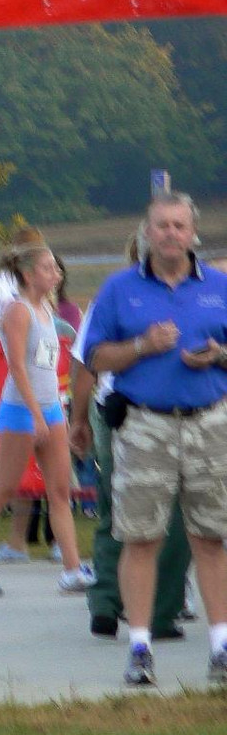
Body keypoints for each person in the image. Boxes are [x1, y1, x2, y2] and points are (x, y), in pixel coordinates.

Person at [81, 191, 227, 687]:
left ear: (193, 233)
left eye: (179, 226)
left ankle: (221, 646)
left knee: (210, 537)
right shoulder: (121, 289)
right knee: (141, 537)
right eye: (161, 225)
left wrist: (218, 356)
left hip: (209, 421)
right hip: (145, 424)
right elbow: (95, 357)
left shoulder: (219, 286)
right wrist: (142, 346)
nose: (170, 234)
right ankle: (140, 647)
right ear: (147, 232)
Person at [69, 226, 191, 642]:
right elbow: (89, 361)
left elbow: (83, 366)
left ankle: (105, 603)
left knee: (116, 511)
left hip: (112, 411)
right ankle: (160, 611)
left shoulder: (109, 297)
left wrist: (79, 419)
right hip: (140, 414)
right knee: (171, 516)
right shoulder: (168, 298)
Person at [0, 242, 95, 596]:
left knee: (61, 491)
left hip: (51, 408)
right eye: (48, 268)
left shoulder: (46, 309)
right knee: (4, 489)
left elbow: (47, 363)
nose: (56, 274)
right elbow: (17, 366)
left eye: (56, 268)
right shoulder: (17, 311)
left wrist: (53, 412)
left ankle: (73, 569)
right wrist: (35, 415)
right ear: (30, 274)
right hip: (22, 410)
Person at [0, 227, 47, 565]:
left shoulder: (43, 290)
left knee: (54, 477)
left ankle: (57, 547)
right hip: (12, 387)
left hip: (45, 388)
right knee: (10, 476)